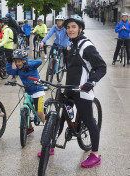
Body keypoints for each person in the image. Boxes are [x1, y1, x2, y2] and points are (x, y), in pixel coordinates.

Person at [50, 15, 106, 168]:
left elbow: (101, 67)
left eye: (73, 27)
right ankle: (50, 145)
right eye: (68, 27)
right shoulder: (72, 45)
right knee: (61, 116)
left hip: (82, 90)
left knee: (89, 121)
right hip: (70, 88)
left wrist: (91, 82)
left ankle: (95, 154)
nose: (70, 30)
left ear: (80, 29)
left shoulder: (86, 46)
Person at [6, 49, 45, 135]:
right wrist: (9, 62)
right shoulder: (19, 69)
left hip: (37, 91)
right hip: (28, 91)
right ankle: (29, 128)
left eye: (19, 61)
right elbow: (10, 71)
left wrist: (28, 63)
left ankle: (48, 128)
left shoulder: (30, 66)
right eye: (15, 61)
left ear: (24, 60)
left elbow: (39, 61)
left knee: (39, 112)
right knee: (24, 110)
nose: (17, 64)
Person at [0, 17, 16, 82]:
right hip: (6, 47)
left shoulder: (6, 30)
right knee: (4, 59)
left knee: (11, 62)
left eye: (0, 23)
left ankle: (13, 77)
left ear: (3, 23)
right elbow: (4, 39)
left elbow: (6, 40)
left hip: (9, 47)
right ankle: (3, 69)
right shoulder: (5, 29)